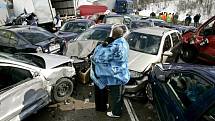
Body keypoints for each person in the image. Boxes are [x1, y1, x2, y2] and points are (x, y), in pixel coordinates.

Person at [90, 27, 130, 118]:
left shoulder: (115, 46)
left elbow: (99, 58)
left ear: (113, 34)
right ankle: (118, 109)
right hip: (122, 73)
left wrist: (101, 47)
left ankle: (116, 113)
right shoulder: (124, 42)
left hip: (116, 76)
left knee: (116, 95)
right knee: (120, 94)